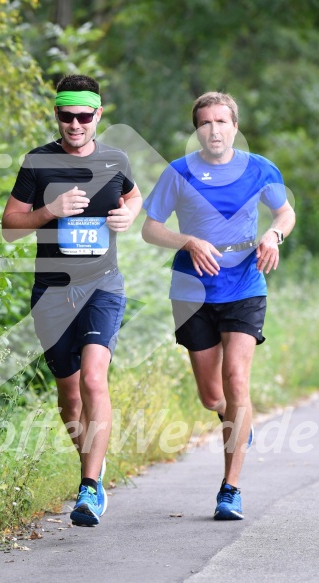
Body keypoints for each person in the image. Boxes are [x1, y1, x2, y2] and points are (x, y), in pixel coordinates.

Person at [141, 91, 295, 520]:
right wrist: (187, 240)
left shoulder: (261, 169)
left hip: (245, 285)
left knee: (236, 380)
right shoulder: (179, 173)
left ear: (234, 126)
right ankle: (236, 422)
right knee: (213, 397)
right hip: (193, 292)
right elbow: (151, 229)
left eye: (221, 122)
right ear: (197, 129)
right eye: (205, 123)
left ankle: (230, 489)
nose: (214, 130)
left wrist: (273, 235)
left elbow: (285, 213)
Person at [2, 74, 142, 526]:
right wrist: (49, 212)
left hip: (102, 286)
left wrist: (127, 213)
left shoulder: (115, 159)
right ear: (57, 115)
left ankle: (88, 487)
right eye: (68, 116)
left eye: (85, 116)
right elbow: (9, 225)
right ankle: (94, 472)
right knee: (70, 397)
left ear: (99, 115)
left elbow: (134, 194)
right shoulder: (38, 162)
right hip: (51, 291)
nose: (76, 124)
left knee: (94, 381)